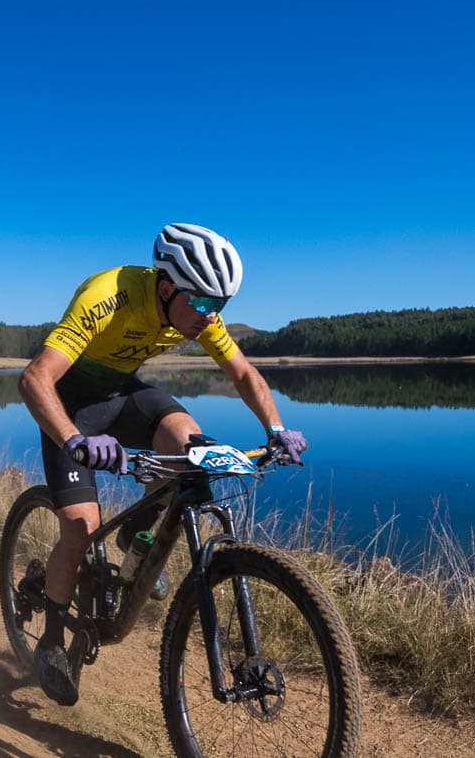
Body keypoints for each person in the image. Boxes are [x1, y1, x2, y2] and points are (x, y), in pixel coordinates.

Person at [18, 222, 308, 707]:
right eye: (202, 302)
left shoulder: (200, 313)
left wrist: (276, 428)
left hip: (121, 394)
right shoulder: (108, 295)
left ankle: (137, 536)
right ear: (167, 287)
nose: (210, 315)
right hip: (69, 403)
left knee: (191, 447)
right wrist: (73, 440)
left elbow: (242, 372)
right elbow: (34, 378)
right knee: (80, 529)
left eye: (221, 305)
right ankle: (49, 642)